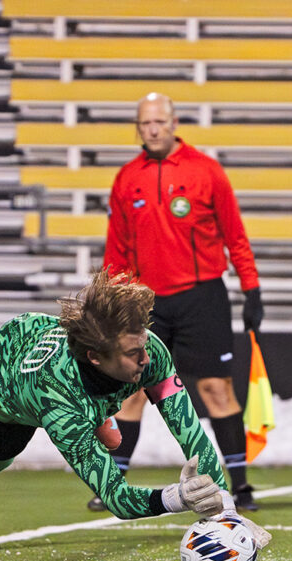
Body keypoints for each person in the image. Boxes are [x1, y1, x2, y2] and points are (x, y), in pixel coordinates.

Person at [0, 271, 270, 561]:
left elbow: (191, 434)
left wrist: (226, 509)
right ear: (96, 357)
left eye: (142, 344)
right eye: (132, 353)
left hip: (56, 354)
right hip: (6, 378)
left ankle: (100, 417)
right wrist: (179, 497)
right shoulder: (60, 406)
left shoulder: (146, 350)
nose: (146, 357)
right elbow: (117, 499)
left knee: (109, 427)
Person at [94, 91, 264, 512]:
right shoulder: (127, 177)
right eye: (144, 123)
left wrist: (252, 288)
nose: (152, 130)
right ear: (138, 128)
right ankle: (112, 484)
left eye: (159, 122)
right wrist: (107, 299)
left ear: (174, 124)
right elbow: (115, 248)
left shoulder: (206, 171)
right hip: (145, 302)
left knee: (215, 388)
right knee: (132, 391)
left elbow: (235, 235)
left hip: (202, 295)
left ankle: (240, 485)